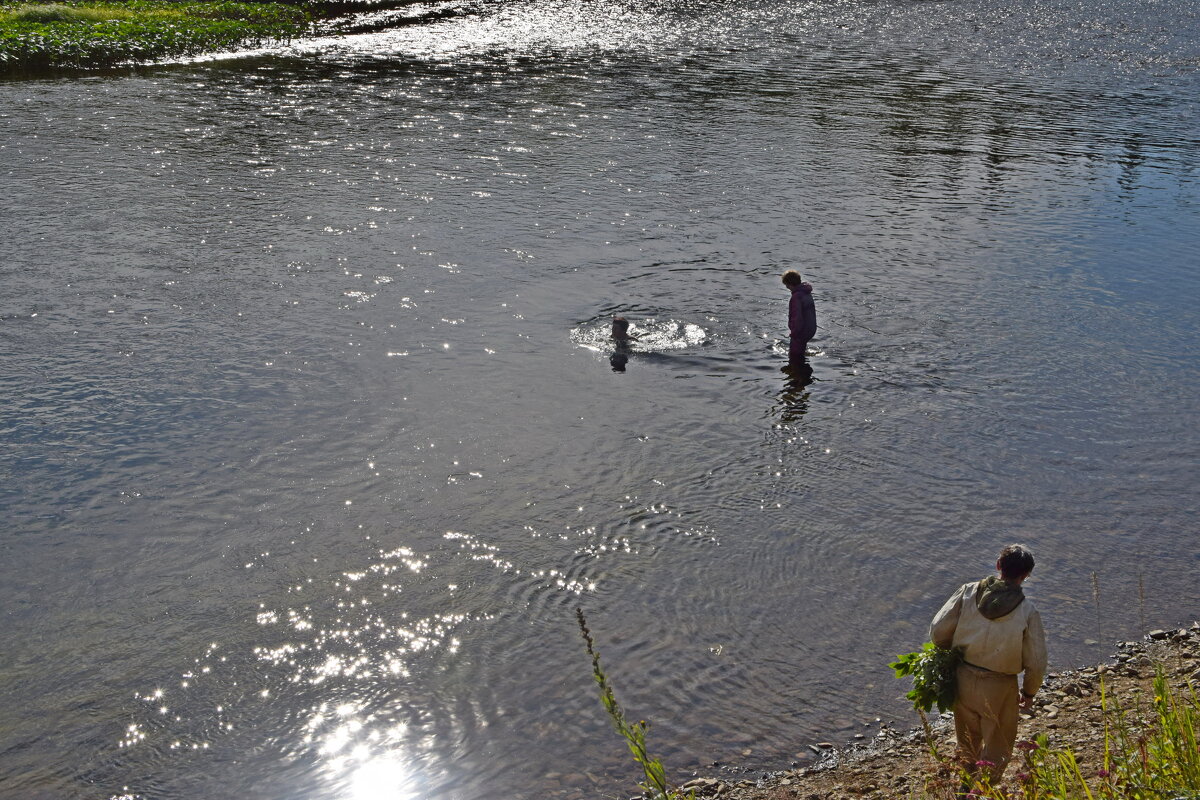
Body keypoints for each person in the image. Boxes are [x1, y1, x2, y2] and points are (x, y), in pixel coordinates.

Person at [930, 544, 1048, 785]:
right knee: (998, 744)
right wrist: (1029, 692)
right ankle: (985, 788)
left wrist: (948, 653)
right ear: (1026, 575)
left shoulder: (968, 592)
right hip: (1000, 685)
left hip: (963, 676)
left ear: (998, 566)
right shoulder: (1027, 611)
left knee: (967, 739)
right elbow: (1036, 662)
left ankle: (965, 783)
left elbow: (938, 631)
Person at [781, 270, 816, 362]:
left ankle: (797, 373)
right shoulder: (807, 293)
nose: (787, 287)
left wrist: (794, 333)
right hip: (810, 329)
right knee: (801, 352)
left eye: (787, 285)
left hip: (800, 332)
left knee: (794, 356)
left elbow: (797, 317)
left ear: (790, 283)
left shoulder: (796, 297)